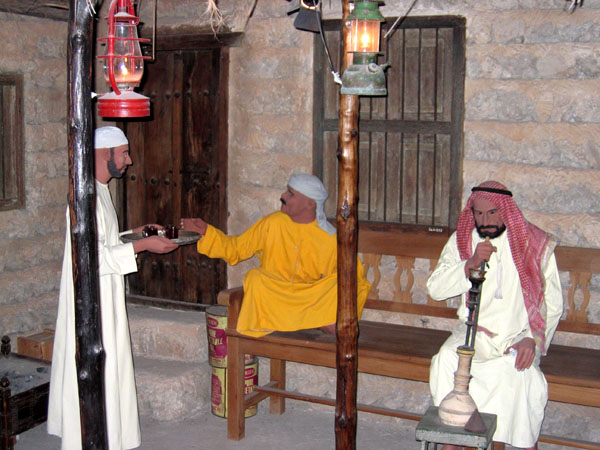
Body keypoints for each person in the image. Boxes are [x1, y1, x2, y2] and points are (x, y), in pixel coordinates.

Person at [48, 127, 179, 450]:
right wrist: (142, 246)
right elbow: (89, 260)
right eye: (124, 153)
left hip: (105, 297)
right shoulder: (84, 198)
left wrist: (134, 234)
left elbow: (102, 243)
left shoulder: (99, 190)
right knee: (98, 370)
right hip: (93, 303)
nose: (130, 161)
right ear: (102, 155)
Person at [427, 181, 563, 450]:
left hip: (517, 337)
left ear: (506, 210)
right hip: (474, 334)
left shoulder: (534, 244)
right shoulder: (463, 240)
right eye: (478, 213)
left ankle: (520, 443)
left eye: (491, 213)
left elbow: (553, 303)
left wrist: (532, 340)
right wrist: (469, 265)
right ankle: (452, 439)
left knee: (516, 374)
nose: (484, 220)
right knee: (446, 360)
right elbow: (436, 289)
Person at [181, 173, 371, 337]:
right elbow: (236, 249)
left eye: (291, 194)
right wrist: (207, 232)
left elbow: (356, 280)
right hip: (277, 293)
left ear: (310, 204)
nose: (283, 196)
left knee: (342, 281)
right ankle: (313, 320)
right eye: (287, 191)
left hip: (308, 298)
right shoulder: (273, 223)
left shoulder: (331, 239)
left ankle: (316, 319)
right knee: (255, 278)